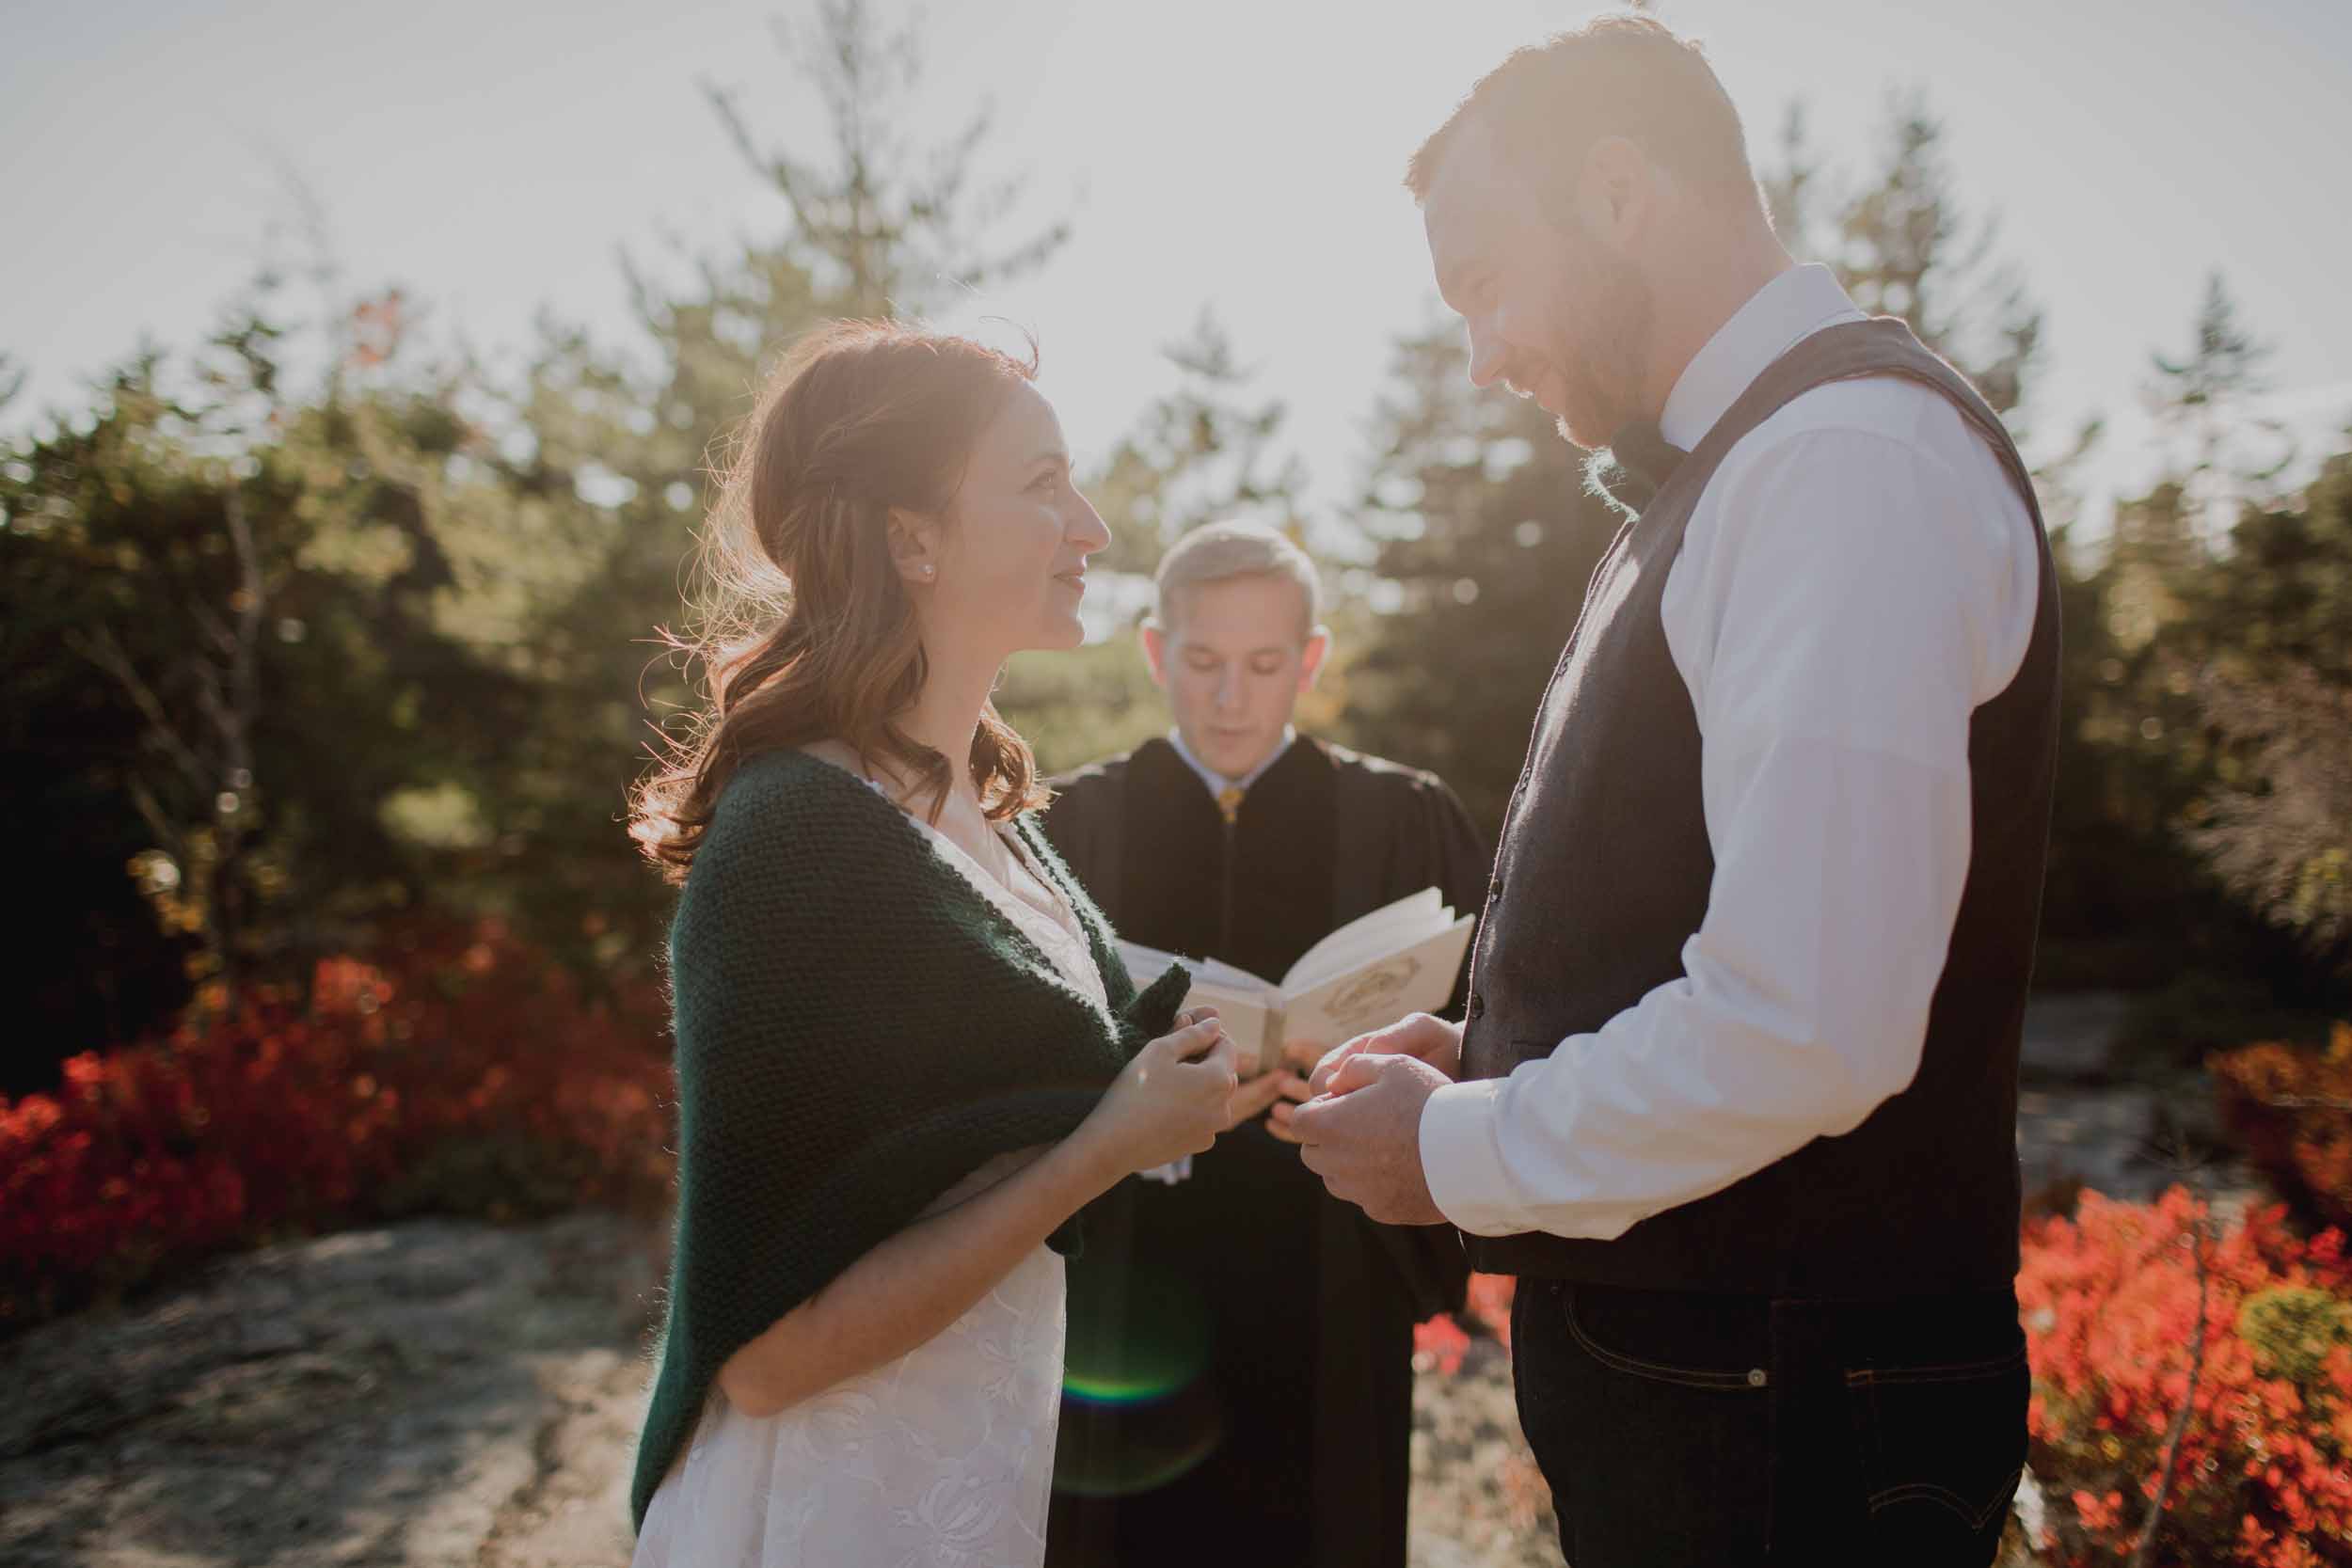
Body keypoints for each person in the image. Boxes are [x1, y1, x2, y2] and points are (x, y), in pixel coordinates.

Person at [1291, 17, 2059, 1568]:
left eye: (1484, 283)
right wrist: (1494, 1048)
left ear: (1624, 197)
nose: (1481, 354)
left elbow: (1809, 1021)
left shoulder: (1842, 465)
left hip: (1780, 1405)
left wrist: (1453, 1147)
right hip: (1735, 1392)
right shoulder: (1746, 471)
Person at [623, 319, 1249, 1568]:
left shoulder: (980, 802)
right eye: (1041, 484)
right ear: (910, 534)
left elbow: (1062, 1043)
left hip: (967, 1478)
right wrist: (1110, 1144)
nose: (1093, 527)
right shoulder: (794, 844)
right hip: (821, 1509)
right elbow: (768, 1354)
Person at [1039, 521, 1486, 1568]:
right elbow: (1005, 1054)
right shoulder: (1071, 823)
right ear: (1154, 651)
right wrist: (1142, 1114)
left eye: (1263, 663)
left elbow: (1486, 1027)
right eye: (1200, 661)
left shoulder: (1402, 819)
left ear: (1311, 659)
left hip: (1334, 1274)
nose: (1229, 696)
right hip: (1123, 1278)